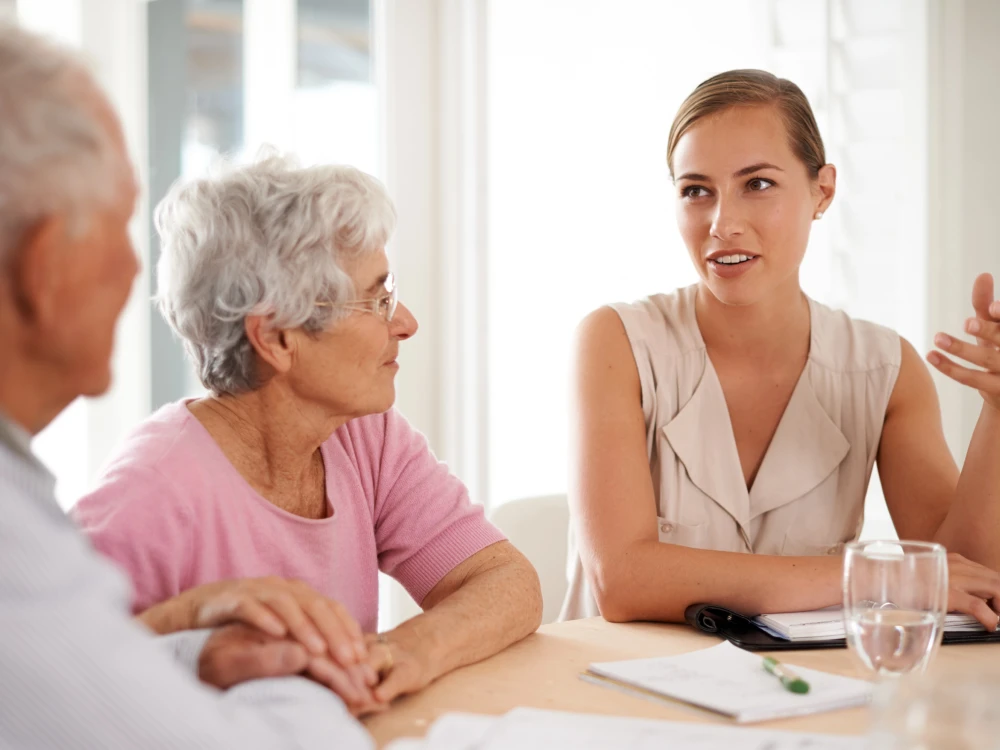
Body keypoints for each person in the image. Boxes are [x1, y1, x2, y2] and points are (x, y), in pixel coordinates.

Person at [0, 23, 372, 749]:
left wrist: (190, 649)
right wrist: (310, 677)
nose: (139, 272)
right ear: (45, 267)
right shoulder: (39, 538)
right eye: (118, 225)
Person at [73, 151, 543, 714]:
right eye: (376, 298)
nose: (406, 322)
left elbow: (506, 581)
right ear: (276, 338)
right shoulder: (150, 492)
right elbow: (49, 685)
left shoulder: (366, 436)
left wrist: (404, 651)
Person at [561, 69, 1000, 629]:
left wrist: (997, 411)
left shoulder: (883, 370)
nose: (722, 224)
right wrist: (870, 576)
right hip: (607, 702)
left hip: (798, 704)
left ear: (822, 191)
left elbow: (965, 581)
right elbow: (621, 581)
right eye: (697, 191)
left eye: (758, 184)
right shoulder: (614, 342)